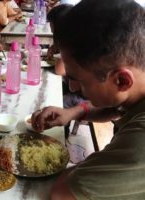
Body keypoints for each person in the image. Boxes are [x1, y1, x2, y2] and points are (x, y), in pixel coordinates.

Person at [32, 0, 145, 199]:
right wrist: (73, 112)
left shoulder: (140, 139)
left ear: (121, 80)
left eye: (77, 79)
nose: (73, 87)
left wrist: (87, 166)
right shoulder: (136, 89)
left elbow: (62, 194)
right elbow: (116, 109)